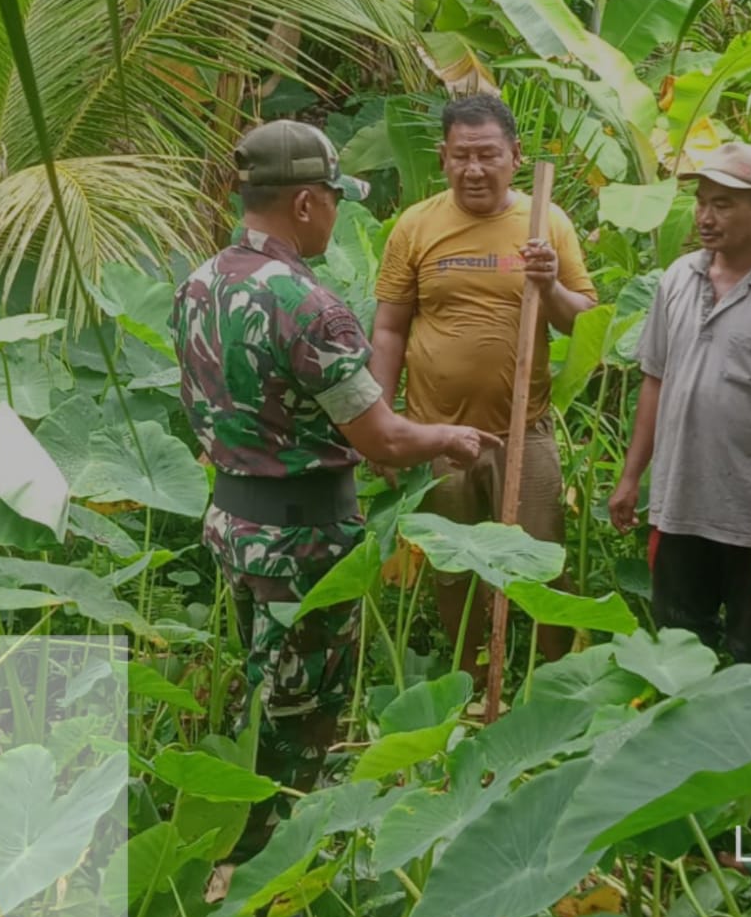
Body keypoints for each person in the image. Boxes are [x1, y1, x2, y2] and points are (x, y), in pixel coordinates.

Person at [170, 120, 499, 851]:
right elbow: (381, 437)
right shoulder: (307, 304)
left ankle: (231, 849)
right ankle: (266, 872)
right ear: (307, 204)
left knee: (259, 695)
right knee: (300, 722)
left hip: (233, 524)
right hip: (302, 543)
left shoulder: (199, 284)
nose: (337, 214)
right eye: (334, 199)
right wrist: (449, 437)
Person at [369, 94, 598, 677]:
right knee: (454, 571)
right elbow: (390, 329)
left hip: (523, 431)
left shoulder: (548, 224)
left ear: (515, 156)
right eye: (461, 156)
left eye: (488, 155)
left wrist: (548, 287)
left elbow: (583, 319)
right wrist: (379, 428)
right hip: (437, 436)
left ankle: (564, 685)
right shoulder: (415, 226)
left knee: (543, 566)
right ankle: (468, 685)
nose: (475, 169)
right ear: (443, 158)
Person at [609, 142, 751, 664]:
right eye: (702, 202)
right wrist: (630, 478)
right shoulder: (677, 279)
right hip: (678, 506)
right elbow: (655, 381)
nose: (706, 217)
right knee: (679, 655)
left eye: (724, 204)